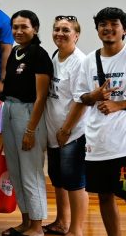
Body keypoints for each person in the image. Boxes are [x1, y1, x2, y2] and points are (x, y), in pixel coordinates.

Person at [73, 7, 126, 236]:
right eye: (103, 24)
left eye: (114, 24)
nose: (108, 28)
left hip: (125, 144)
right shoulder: (89, 61)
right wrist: (93, 96)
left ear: (124, 30)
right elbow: (81, 96)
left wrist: (120, 105)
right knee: (104, 196)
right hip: (96, 145)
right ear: (97, 29)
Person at [0, 10, 52, 236]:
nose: (18, 31)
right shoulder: (16, 51)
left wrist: (30, 130)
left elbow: (41, 96)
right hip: (9, 109)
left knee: (31, 172)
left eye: (24, 27)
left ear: (35, 29)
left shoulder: (39, 54)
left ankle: (37, 227)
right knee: (16, 172)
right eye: (15, 27)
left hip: (28, 113)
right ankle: (26, 221)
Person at [44, 15, 88, 236]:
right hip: (54, 132)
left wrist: (66, 129)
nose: (59, 34)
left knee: (74, 182)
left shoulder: (80, 61)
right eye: (57, 29)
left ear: (76, 35)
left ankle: (76, 229)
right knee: (58, 179)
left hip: (72, 133)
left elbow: (82, 101)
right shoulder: (55, 56)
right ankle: (61, 222)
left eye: (66, 30)